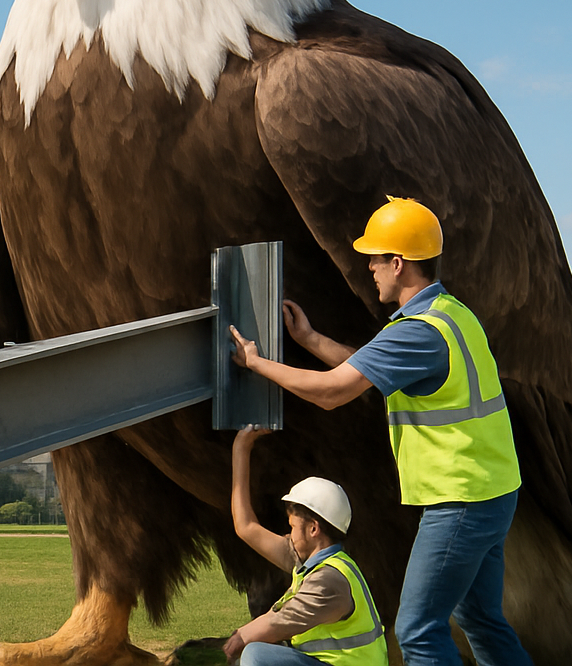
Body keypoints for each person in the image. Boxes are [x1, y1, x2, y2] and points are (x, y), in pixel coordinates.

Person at [228, 197, 531, 666]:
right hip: (493, 490)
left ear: (399, 262)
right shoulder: (451, 314)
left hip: (461, 499)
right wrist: (310, 340)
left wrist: (256, 362)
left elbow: (333, 391)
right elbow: (369, 367)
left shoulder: (417, 331)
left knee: (417, 630)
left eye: (375, 257)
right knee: (480, 618)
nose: (369, 267)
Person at [223, 427, 385, 666]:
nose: (289, 534)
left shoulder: (329, 581)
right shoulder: (309, 561)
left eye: (292, 526)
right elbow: (246, 527)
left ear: (313, 529)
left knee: (255, 654)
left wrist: (238, 638)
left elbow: (277, 623)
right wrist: (241, 448)